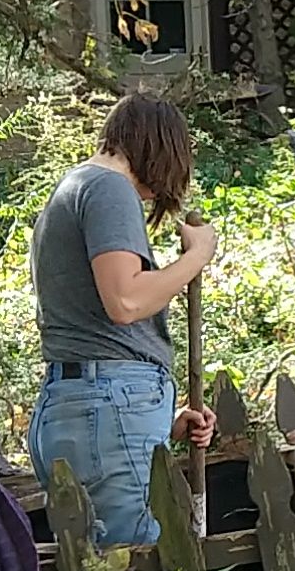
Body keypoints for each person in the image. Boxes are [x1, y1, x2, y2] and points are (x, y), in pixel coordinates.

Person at [28, 94, 217, 546]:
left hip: (80, 404)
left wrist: (159, 425)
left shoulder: (70, 189)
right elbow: (126, 300)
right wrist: (198, 256)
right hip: (107, 407)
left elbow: (97, 325)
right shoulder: (109, 189)